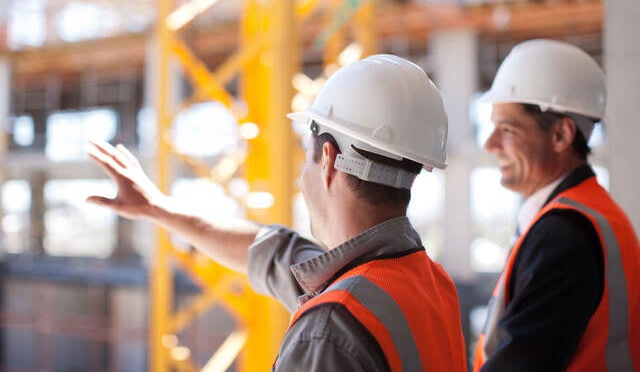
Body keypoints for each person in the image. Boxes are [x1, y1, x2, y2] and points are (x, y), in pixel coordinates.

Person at [87, 54, 468, 371]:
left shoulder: (330, 327)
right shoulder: (426, 282)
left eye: (307, 157)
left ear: (329, 161)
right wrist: (160, 209)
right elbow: (273, 251)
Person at [473, 39, 640, 372]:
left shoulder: (564, 234)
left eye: (507, 129)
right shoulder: (593, 213)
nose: (490, 144)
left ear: (561, 135)